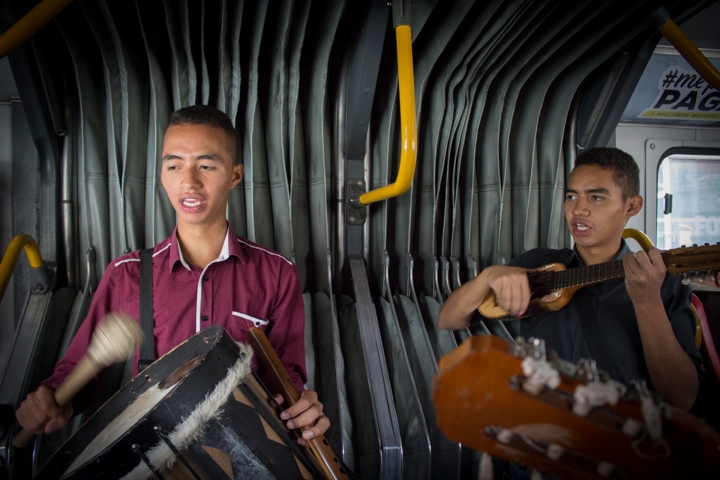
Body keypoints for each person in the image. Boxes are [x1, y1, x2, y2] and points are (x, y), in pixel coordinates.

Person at [16, 105, 329, 446]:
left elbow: (286, 382)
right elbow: (77, 374)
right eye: (174, 165)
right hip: (153, 457)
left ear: (236, 175)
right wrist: (53, 399)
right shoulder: (127, 275)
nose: (189, 181)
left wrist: (301, 409)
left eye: (206, 166)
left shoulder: (276, 274)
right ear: (162, 176)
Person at [438, 147, 703, 411]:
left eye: (596, 198)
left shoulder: (663, 285)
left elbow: (681, 398)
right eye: (571, 196)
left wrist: (647, 302)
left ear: (632, 206)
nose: (578, 210)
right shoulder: (536, 266)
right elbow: (448, 319)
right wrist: (488, 276)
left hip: (621, 440)